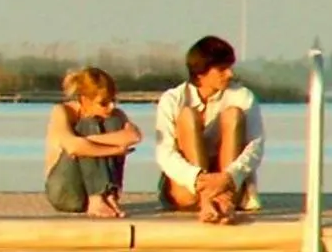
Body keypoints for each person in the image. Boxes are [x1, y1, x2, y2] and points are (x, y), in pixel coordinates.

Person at [156, 35, 264, 223]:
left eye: (230, 67)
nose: (230, 74)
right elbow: (164, 153)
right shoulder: (172, 99)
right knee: (188, 116)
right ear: (200, 73)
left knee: (233, 114)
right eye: (222, 69)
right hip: (188, 185)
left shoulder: (243, 96)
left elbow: (256, 146)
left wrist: (229, 176)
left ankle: (220, 198)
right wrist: (198, 179)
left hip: (229, 182)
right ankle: (209, 199)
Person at [44, 67, 141, 217]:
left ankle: (109, 195)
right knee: (88, 124)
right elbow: (73, 147)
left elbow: (133, 136)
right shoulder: (62, 111)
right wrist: (115, 149)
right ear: (84, 100)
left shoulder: (114, 114)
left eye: (113, 100)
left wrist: (87, 141)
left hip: (93, 188)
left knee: (114, 122)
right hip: (65, 191)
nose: (111, 107)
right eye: (103, 103)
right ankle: (96, 198)